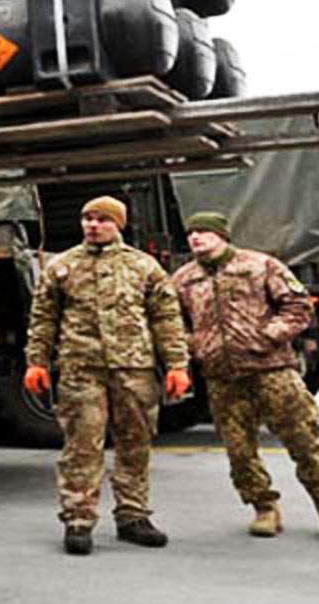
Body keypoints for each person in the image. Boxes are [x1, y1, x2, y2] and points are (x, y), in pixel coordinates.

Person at [23, 195, 191, 555]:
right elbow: (43, 318)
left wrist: (177, 365)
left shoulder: (143, 267)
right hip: (81, 369)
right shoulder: (63, 266)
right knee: (82, 446)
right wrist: (36, 361)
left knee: (136, 444)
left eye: (102, 219)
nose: (93, 225)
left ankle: (133, 516)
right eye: (87, 218)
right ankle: (78, 520)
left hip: (134, 369)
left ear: (118, 224)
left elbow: (166, 318)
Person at [171, 211, 319, 541]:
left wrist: (269, 334)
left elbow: (298, 305)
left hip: (272, 370)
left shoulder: (259, 265)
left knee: (304, 440)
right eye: (191, 233)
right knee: (240, 451)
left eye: (203, 232)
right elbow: (172, 322)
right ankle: (264, 507)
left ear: (222, 235)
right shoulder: (183, 279)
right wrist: (194, 344)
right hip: (222, 376)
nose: (196, 238)